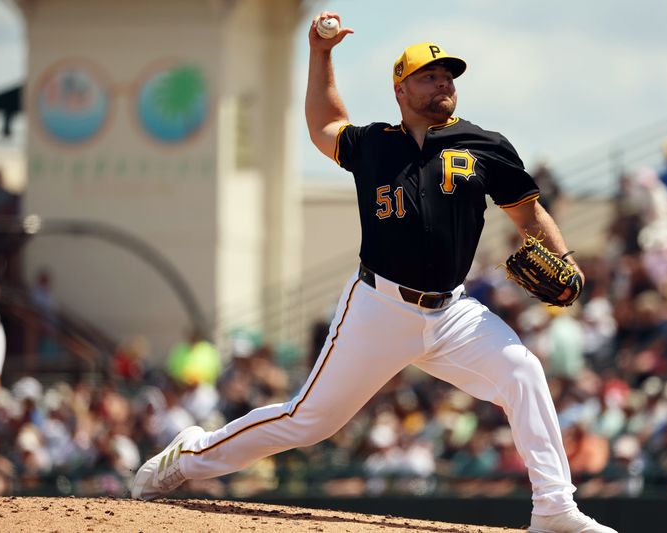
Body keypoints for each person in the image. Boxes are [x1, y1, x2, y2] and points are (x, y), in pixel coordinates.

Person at [132, 12, 616, 533]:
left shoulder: (485, 145)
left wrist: (562, 258)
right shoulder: (375, 144)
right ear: (400, 88)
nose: (444, 83)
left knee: (523, 372)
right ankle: (187, 457)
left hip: (454, 314)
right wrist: (322, 54)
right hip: (378, 307)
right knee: (307, 421)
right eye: (430, 76)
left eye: (449, 75)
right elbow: (323, 124)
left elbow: (529, 214)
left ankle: (554, 509)